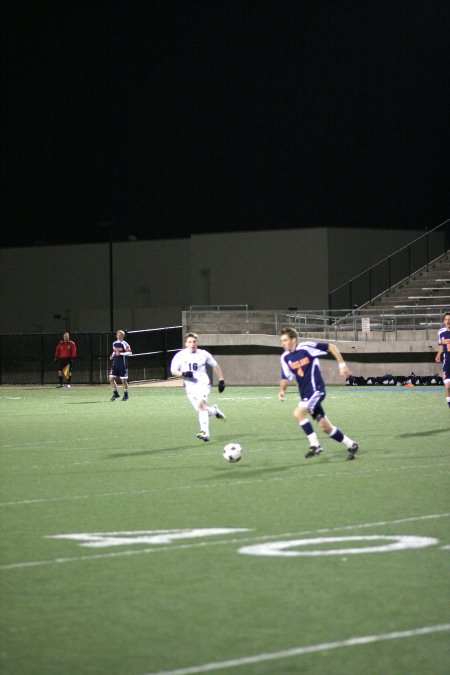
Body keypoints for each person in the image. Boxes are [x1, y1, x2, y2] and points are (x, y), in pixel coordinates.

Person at [278, 327, 359, 460]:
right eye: (282, 341)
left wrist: (342, 365)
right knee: (325, 427)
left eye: (285, 340)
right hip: (305, 395)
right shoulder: (285, 358)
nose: (283, 343)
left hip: (317, 390)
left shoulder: (306, 347)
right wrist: (282, 390)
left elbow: (331, 347)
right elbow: (285, 378)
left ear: (293, 340)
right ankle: (351, 444)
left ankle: (315, 445)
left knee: (298, 413)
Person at [170, 332, 226, 442]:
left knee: (200, 407)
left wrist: (221, 380)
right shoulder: (180, 355)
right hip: (190, 387)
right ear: (186, 343)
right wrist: (183, 374)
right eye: (190, 342)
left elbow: (215, 365)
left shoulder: (203, 354)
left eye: (194, 342)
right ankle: (214, 410)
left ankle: (205, 432)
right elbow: (173, 370)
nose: (192, 344)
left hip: (203, 384)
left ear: (197, 343)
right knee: (202, 410)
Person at [109, 330, 132, 401]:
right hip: (115, 363)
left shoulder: (125, 343)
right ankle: (116, 394)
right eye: (118, 335)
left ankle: (126, 395)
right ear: (116, 335)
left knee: (123, 380)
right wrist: (112, 356)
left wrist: (121, 354)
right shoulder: (114, 343)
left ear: (123, 336)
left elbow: (130, 353)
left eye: (121, 335)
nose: (119, 336)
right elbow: (114, 351)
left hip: (123, 364)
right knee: (111, 379)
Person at [435, 311, 450, 409]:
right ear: (444, 321)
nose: (448, 321)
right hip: (447, 363)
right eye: (446, 319)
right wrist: (439, 353)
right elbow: (441, 345)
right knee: (448, 387)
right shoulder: (441, 332)